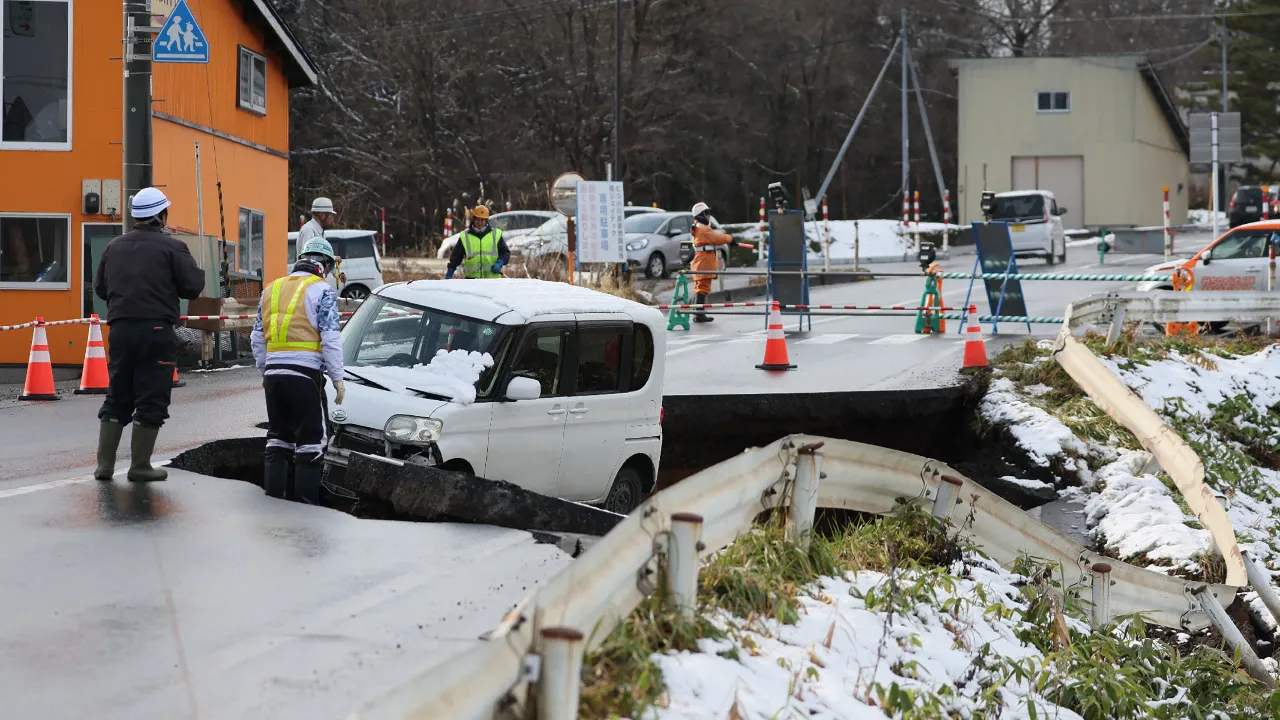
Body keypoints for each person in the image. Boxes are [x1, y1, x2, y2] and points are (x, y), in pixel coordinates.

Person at [93, 187, 206, 482]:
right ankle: (139, 466)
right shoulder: (172, 248)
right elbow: (192, 287)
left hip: (120, 330)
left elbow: (101, 289)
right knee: (151, 397)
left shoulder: (113, 247)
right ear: (161, 216)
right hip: (156, 331)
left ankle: (104, 467)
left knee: (118, 394)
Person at [250, 237, 345, 505]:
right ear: (324, 265)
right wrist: (338, 378)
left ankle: (275, 501)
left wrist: (266, 370)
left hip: (274, 375)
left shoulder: (272, 288)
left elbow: (257, 338)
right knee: (312, 442)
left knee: (278, 438)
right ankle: (305, 508)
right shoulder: (322, 290)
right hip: (305, 374)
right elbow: (330, 338)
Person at [688, 202, 732, 323]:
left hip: (700, 261)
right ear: (700, 214)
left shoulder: (696, 227)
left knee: (700, 287)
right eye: (706, 213)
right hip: (704, 261)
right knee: (702, 288)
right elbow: (718, 238)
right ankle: (699, 313)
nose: (708, 216)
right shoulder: (703, 229)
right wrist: (730, 238)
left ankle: (698, 312)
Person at [446, 205, 510, 279]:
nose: (480, 223)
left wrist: (500, 263)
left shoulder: (495, 235)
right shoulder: (465, 236)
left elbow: (505, 253)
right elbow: (456, 257)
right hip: (471, 281)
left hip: (492, 280)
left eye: (482, 220)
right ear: (473, 220)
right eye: (478, 220)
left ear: (486, 221)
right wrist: (450, 271)